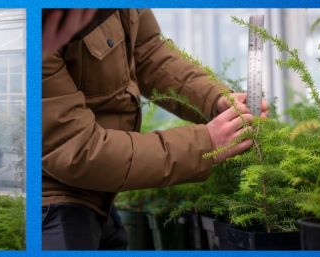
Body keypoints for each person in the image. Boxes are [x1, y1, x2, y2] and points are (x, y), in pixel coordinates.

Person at [41, 9, 268, 250]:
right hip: (56, 206)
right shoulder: (36, 31)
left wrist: (215, 100)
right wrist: (206, 142)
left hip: (102, 196)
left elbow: (147, 51)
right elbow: (77, 149)